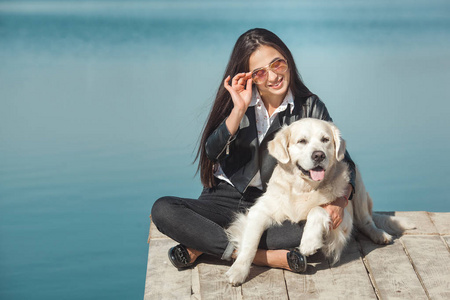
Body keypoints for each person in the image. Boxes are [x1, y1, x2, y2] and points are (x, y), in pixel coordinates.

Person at [151, 28, 355, 273]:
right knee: (162, 210)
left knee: (309, 229)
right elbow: (211, 152)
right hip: (221, 199)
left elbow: (346, 163)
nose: (272, 77)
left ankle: (203, 245)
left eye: (277, 64)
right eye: (260, 72)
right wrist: (238, 110)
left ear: (287, 60)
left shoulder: (309, 106)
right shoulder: (240, 99)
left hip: (273, 203)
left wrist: (341, 202)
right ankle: (259, 257)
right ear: (250, 77)